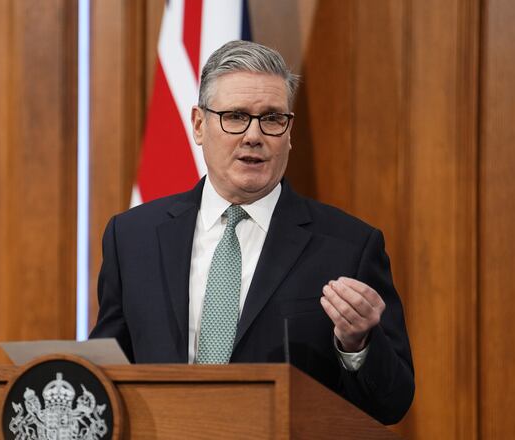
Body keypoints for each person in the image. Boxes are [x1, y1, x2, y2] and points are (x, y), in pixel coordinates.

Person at [90, 40, 414, 425]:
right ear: (198, 124)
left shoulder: (348, 247)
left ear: (289, 132)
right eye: (236, 116)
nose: (254, 135)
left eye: (272, 118)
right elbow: (108, 368)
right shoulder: (132, 237)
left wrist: (357, 345)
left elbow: (392, 404)